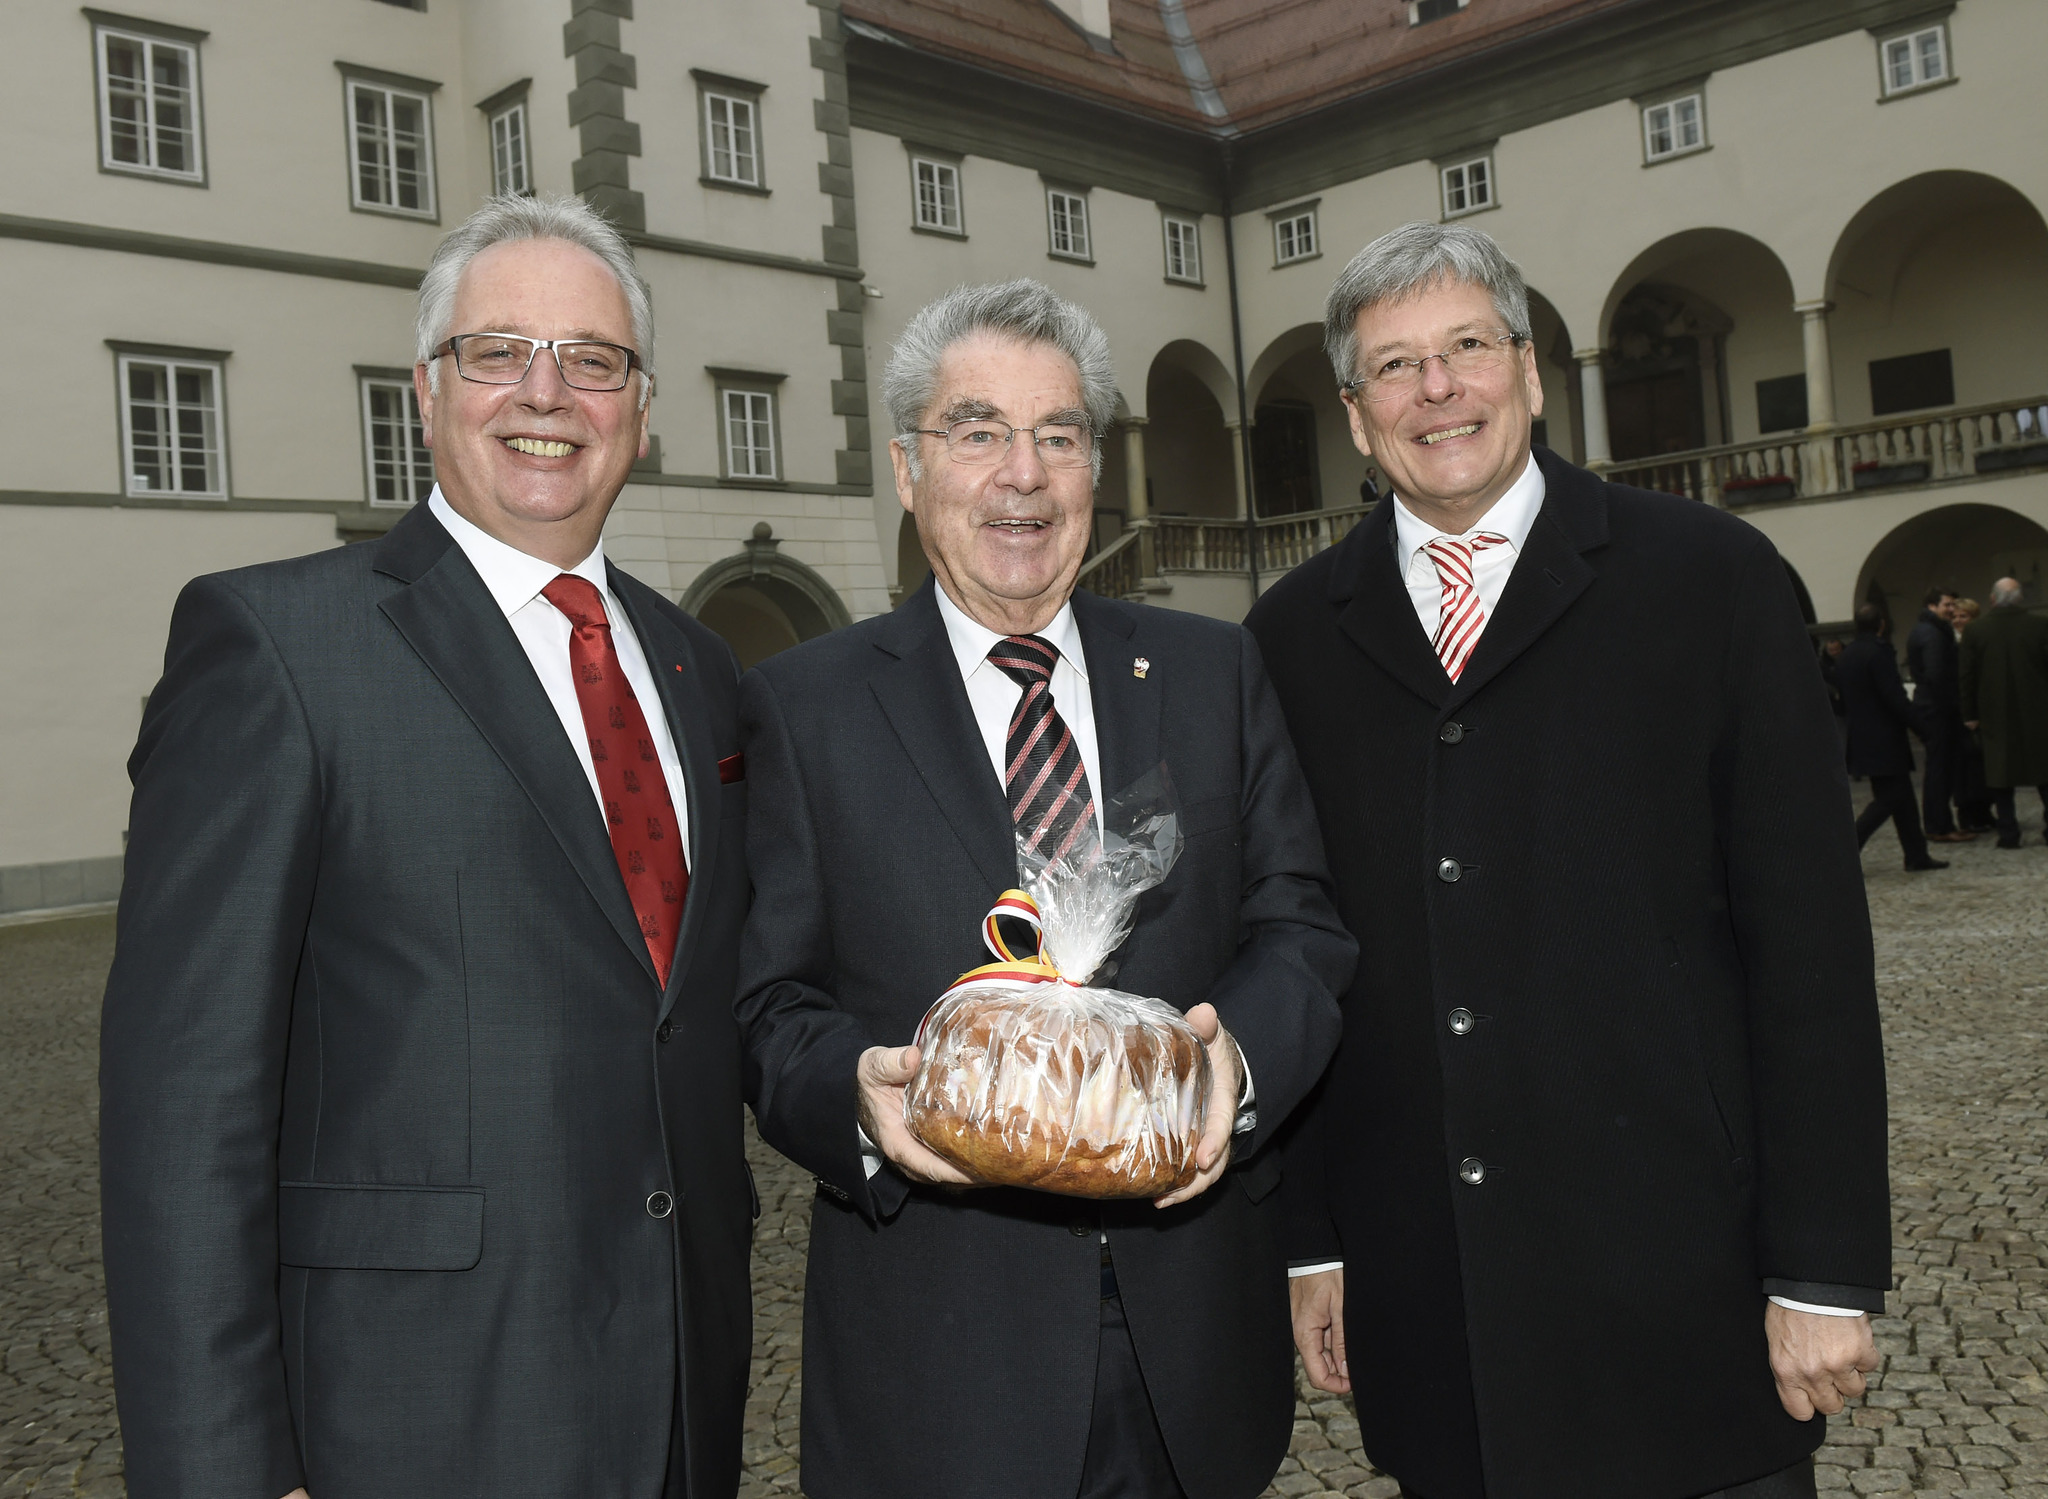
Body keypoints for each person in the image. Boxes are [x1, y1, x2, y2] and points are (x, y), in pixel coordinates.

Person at [100, 196, 755, 1499]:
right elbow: (184, 1102)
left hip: (682, 1399)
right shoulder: (279, 648)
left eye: (594, 358)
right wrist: (221, 1466)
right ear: (426, 387)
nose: (548, 391)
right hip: (406, 1415)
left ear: (642, 404)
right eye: (497, 350)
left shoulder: (699, 669)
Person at [1244, 223, 1891, 1499]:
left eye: (1466, 347)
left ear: (1529, 372)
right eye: (1394, 365)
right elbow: (1288, 950)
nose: (1436, 388)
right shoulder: (1287, 640)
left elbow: (1808, 944)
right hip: (1438, 1318)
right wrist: (1309, 1241)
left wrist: (1819, 1265)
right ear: (1355, 413)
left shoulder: (1710, 580)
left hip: (1680, 1295)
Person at [735, 279, 1353, 1499]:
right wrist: (859, 1101)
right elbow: (763, 1005)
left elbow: (1299, 925)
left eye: (1058, 436)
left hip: (1194, 1337)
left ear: (1092, 471)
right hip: (942, 1354)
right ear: (909, 470)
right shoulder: (805, 707)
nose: (1021, 475)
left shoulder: (1210, 667)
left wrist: (1235, 1079)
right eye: (976, 431)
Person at [1840, 604, 1947, 871]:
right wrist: (1923, 729)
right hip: (1884, 739)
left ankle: (1916, 855)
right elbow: (1895, 698)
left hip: (1863, 737)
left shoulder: (1849, 653)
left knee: (1903, 800)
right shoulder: (1878, 652)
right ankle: (1846, 849)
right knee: (1889, 799)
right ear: (1882, 624)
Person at [1960, 576, 2048, 848]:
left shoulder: (1976, 631)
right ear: (2020, 598)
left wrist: (1970, 714)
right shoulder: (2040, 626)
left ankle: (2009, 833)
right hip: (2038, 712)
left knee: (2000, 776)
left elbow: (1967, 676)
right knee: (2044, 773)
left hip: (1994, 713)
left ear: (1992, 598)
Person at [1906, 586, 1974, 842]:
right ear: (1932, 606)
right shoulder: (1933, 634)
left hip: (1933, 707)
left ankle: (1941, 824)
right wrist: (1951, 704)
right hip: (1938, 710)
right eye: (1947, 604)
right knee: (1939, 770)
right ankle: (1939, 826)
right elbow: (1936, 674)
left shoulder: (1929, 630)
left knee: (1940, 768)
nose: (1952, 609)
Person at [1950, 597, 1998, 831]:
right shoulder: (1951, 643)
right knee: (1966, 766)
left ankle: (1984, 810)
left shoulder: (1978, 640)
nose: (1958, 621)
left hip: (1980, 709)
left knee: (1983, 766)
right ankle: (1969, 812)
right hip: (1961, 711)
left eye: (1963, 616)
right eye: (1955, 617)